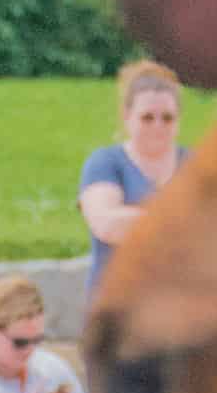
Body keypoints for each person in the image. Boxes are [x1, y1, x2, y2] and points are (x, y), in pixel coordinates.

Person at [77, 60, 181, 311]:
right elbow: (107, 224)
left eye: (167, 118)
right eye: (147, 118)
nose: (158, 126)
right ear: (126, 116)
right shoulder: (106, 163)